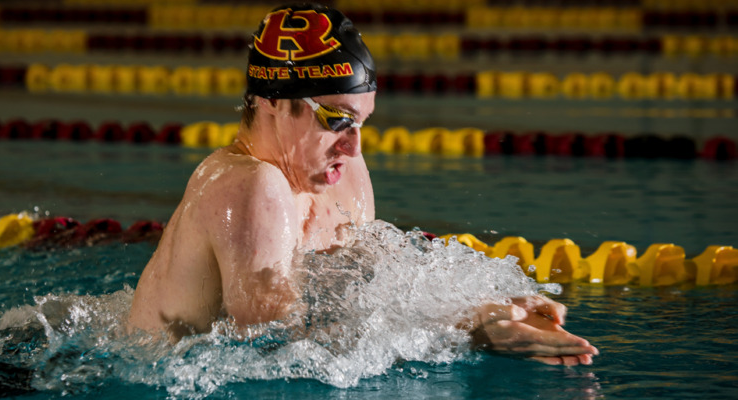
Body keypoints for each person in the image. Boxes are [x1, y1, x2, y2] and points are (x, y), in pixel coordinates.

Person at [128, 3, 598, 366]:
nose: (353, 148)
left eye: (361, 123)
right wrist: (465, 329)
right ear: (273, 102)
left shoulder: (340, 169)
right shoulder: (249, 187)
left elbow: (367, 281)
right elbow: (279, 345)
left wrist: (485, 305)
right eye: (336, 121)